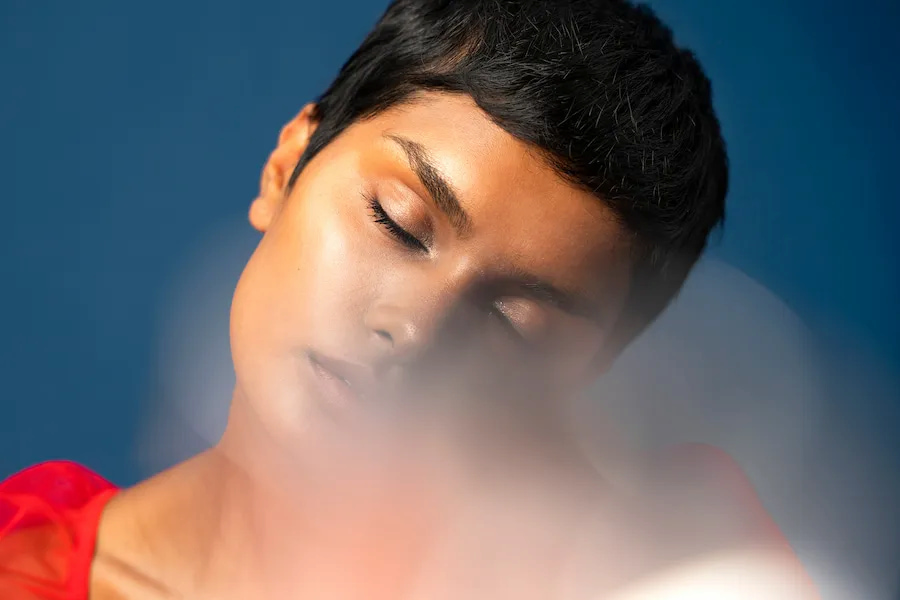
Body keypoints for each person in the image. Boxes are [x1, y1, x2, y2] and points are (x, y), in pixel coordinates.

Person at [0, 0, 820, 598]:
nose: (418, 332)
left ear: (589, 379)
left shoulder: (671, 562)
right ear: (286, 167)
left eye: (517, 325)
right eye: (397, 223)